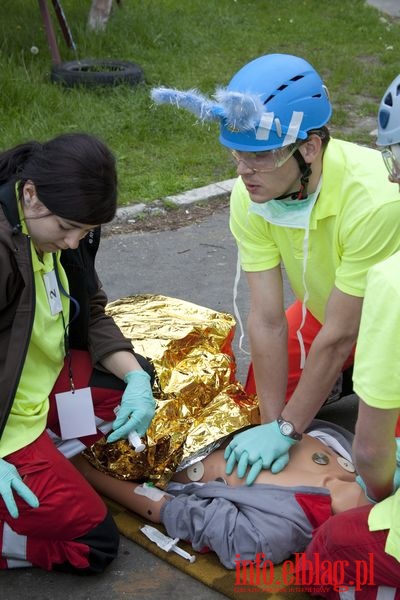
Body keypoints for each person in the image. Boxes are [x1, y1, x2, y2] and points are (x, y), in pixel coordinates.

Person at [151, 53, 400, 484]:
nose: (244, 172)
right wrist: (272, 425)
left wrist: (289, 427)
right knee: (255, 413)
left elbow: (341, 335)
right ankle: (334, 386)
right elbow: (266, 320)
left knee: (378, 457)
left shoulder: (377, 201)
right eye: (236, 154)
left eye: (261, 157)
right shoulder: (250, 195)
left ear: (309, 147)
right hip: (329, 312)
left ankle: (345, 384)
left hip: (387, 326)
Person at [0, 133, 156, 573]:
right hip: (6, 425)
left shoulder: (59, 233)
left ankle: (54, 455)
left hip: (34, 385)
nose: (73, 242)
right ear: (31, 195)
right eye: (67, 228)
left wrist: (137, 380)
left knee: (129, 387)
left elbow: (90, 310)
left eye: (85, 231)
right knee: (94, 545)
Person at [298, 75, 400, 600]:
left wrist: (376, 497)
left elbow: (370, 449)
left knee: (327, 557)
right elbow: (273, 320)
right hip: (329, 311)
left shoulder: (392, 280)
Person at [75, 419, 374, 570]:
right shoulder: (370, 460)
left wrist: (84, 471)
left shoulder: (273, 533)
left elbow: (165, 508)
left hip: (146, 439)